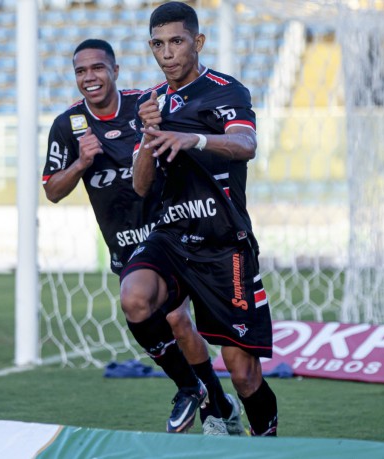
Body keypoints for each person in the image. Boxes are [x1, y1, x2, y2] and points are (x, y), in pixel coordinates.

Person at [42, 38, 244, 436]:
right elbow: (51, 190)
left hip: (169, 235)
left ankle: (197, 395)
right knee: (168, 323)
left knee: (175, 318)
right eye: (81, 71)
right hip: (124, 245)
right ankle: (217, 404)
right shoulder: (68, 126)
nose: (90, 78)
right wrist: (82, 162)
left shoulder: (145, 106)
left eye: (98, 68)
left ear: (115, 70)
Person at [121, 2, 278, 436]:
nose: (167, 53)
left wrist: (193, 139)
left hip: (223, 242)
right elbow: (139, 186)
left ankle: (265, 440)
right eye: (158, 44)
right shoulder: (152, 103)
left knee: (243, 372)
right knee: (135, 297)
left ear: (198, 42)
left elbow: (245, 144)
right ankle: (193, 388)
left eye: (176, 41)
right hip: (172, 236)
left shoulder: (225, 90)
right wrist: (151, 137)